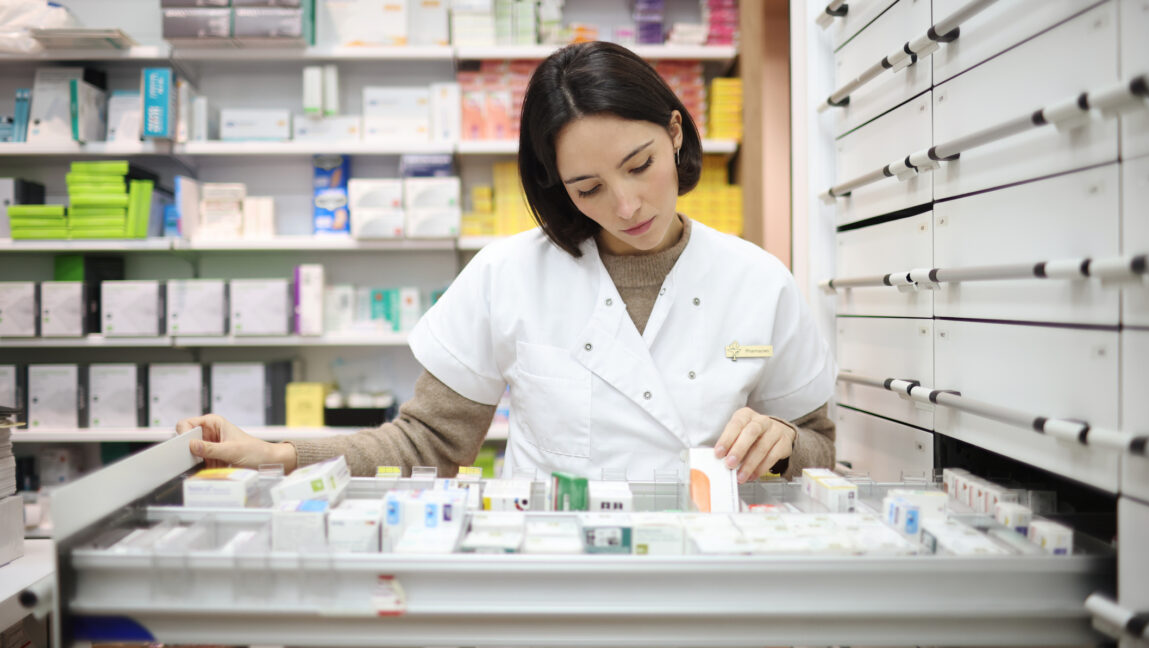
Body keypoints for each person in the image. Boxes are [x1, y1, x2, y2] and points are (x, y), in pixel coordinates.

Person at [177, 41, 837, 485]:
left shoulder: (759, 281)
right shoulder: (508, 275)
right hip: (553, 583)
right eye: (589, 189)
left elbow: (820, 449)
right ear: (557, 186)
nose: (628, 203)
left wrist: (782, 443)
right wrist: (277, 454)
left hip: (708, 581)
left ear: (673, 131)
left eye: (640, 165)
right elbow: (427, 444)